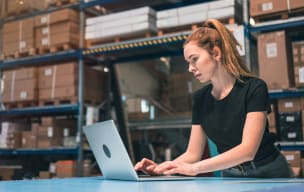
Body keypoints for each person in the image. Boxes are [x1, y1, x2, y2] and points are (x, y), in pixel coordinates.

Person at [134, 19, 294, 178]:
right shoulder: (200, 98)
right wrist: (161, 169)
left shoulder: (254, 88)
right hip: (232, 175)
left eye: (194, 59)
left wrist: (195, 169)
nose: (190, 68)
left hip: (269, 172)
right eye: (188, 62)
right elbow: (192, 153)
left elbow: (248, 151)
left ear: (216, 53)